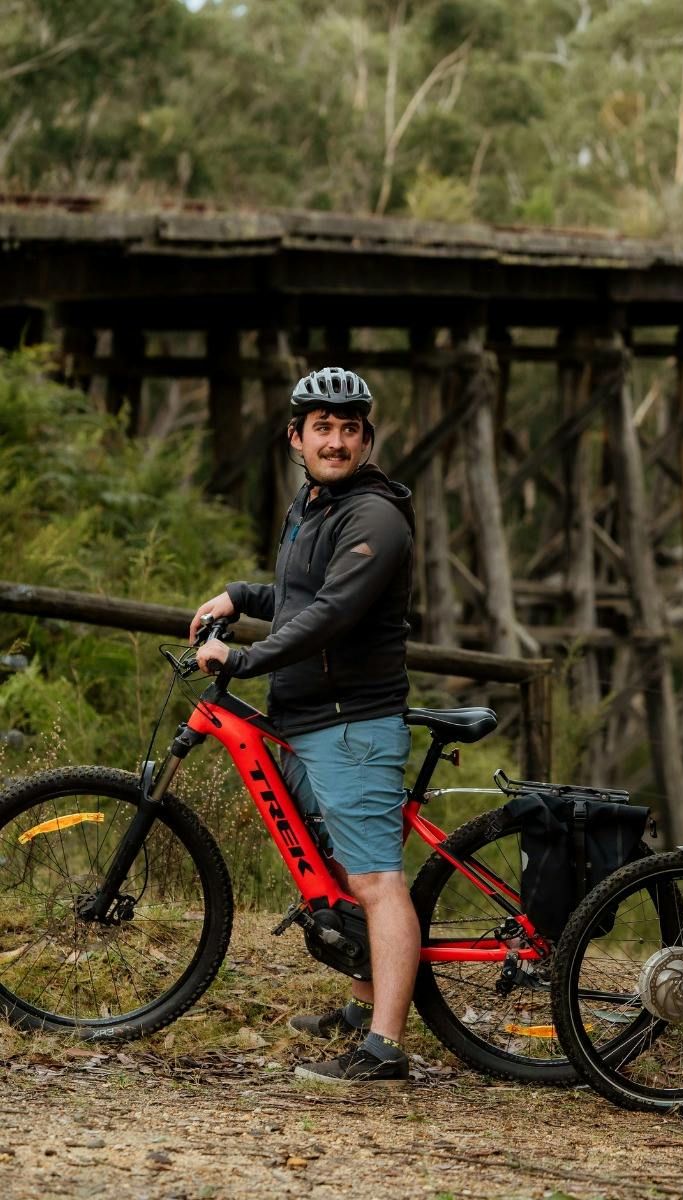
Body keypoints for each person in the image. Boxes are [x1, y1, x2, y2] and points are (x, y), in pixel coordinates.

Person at [188, 366, 418, 1087]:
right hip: (315, 717)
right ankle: (360, 1007)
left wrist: (248, 656)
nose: (338, 440)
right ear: (296, 437)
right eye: (324, 427)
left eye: (351, 429)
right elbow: (299, 593)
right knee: (340, 862)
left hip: (352, 724)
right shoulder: (317, 503)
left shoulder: (374, 516)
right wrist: (240, 595)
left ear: (366, 439)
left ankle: (383, 1046)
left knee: (376, 880)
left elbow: (332, 613)